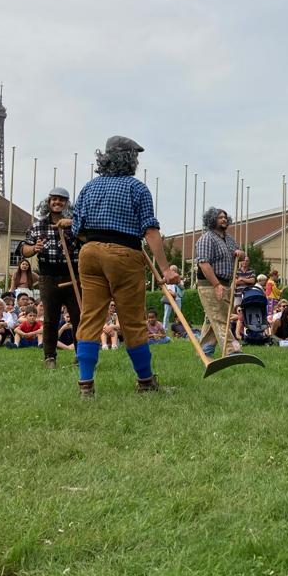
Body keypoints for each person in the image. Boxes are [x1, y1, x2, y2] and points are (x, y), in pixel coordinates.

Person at [70, 135, 178, 398]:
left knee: (90, 317)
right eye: (135, 156)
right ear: (129, 159)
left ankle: (86, 385)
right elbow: (150, 231)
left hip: (90, 252)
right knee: (132, 321)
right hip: (124, 255)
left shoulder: (89, 187)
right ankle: (145, 381)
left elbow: (77, 229)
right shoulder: (137, 188)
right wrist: (166, 270)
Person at [19, 187, 81, 369]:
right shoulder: (37, 226)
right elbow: (24, 249)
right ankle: (50, 357)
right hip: (48, 277)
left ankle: (81, 356)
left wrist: (72, 225)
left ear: (66, 204)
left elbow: (87, 240)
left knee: (78, 317)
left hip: (73, 275)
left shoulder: (75, 224)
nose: (57, 202)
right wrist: (34, 248)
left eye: (61, 200)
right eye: (54, 199)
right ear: (48, 202)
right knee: (50, 319)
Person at [195, 207, 244, 357]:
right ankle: (232, 349)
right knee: (221, 318)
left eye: (225, 217)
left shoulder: (229, 239)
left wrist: (241, 254)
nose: (223, 219)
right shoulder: (206, 238)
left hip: (226, 284)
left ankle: (204, 351)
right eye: (220, 217)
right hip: (210, 285)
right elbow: (203, 263)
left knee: (212, 318)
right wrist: (216, 285)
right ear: (212, 220)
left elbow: (242, 255)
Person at [160, 266, 183, 331]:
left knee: (178, 315)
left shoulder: (179, 278)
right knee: (166, 314)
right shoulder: (165, 278)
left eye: (174, 270)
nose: (173, 272)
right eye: (172, 270)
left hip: (177, 298)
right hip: (169, 298)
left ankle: (178, 329)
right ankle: (164, 329)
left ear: (176, 271)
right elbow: (163, 289)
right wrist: (170, 292)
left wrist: (177, 282)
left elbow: (182, 288)